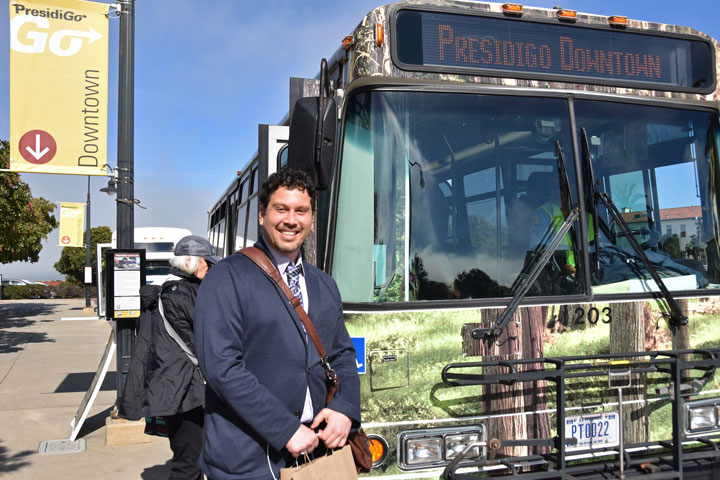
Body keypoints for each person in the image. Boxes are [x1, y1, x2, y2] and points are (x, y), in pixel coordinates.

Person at [193, 168, 361, 480]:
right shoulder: (226, 278)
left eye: (301, 211)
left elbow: (342, 355)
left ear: (311, 219)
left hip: (318, 452)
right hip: (249, 460)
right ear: (262, 215)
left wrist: (345, 408)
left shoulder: (323, 284)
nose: (291, 220)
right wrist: (284, 429)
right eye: (281, 209)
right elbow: (221, 367)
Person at [119, 235, 220, 480]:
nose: (211, 267)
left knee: (187, 455)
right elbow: (210, 340)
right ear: (193, 262)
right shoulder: (187, 295)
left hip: (169, 388)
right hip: (186, 392)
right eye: (208, 262)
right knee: (188, 464)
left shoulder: (161, 294)